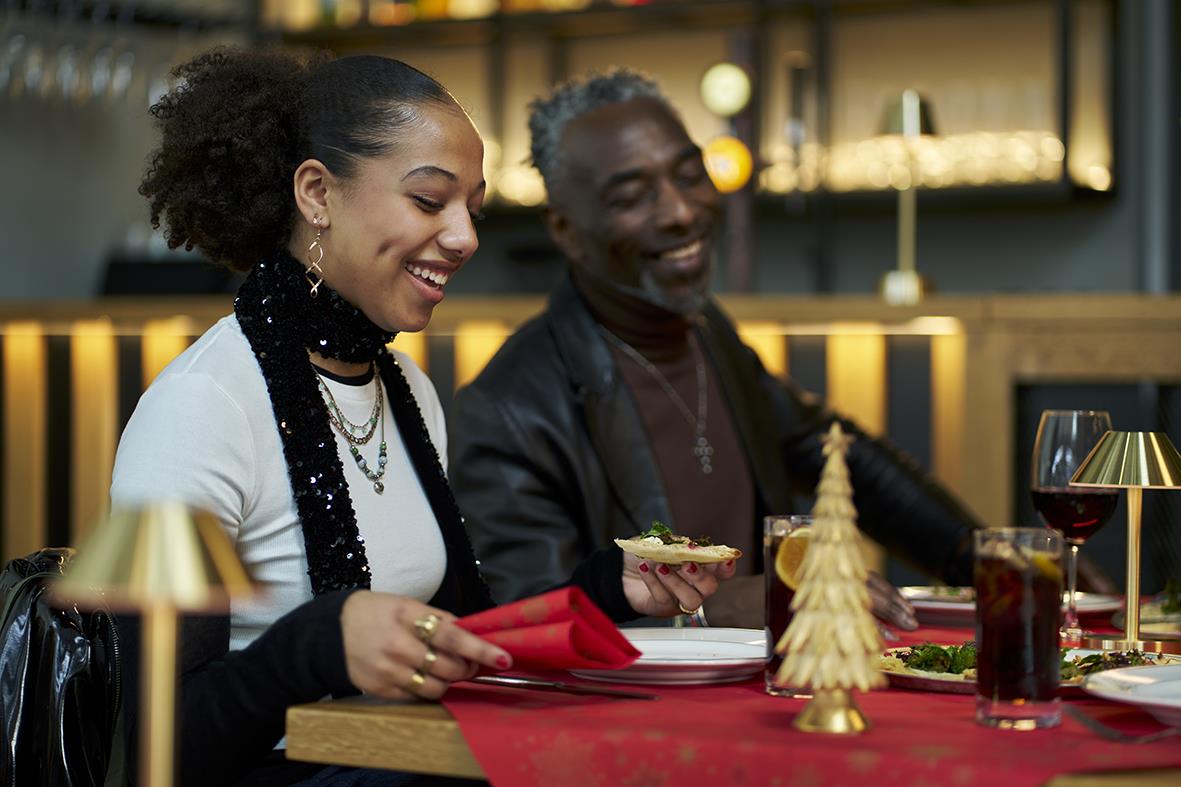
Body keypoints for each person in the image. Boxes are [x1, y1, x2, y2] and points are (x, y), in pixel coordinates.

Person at [113, 50, 733, 787]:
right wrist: (315, 643)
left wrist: (608, 588)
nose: (466, 237)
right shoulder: (201, 406)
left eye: (473, 208)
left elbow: (457, 641)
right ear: (317, 193)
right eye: (430, 200)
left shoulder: (405, 387)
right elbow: (157, 744)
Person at [448, 69, 986, 631]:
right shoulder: (508, 407)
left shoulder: (707, 331)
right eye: (632, 197)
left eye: (690, 175)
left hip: (762, 679)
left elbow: (841, 457)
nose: (681, 211)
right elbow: (530, 618)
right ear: (564, 229)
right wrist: (715, 609)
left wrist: (989, 563)